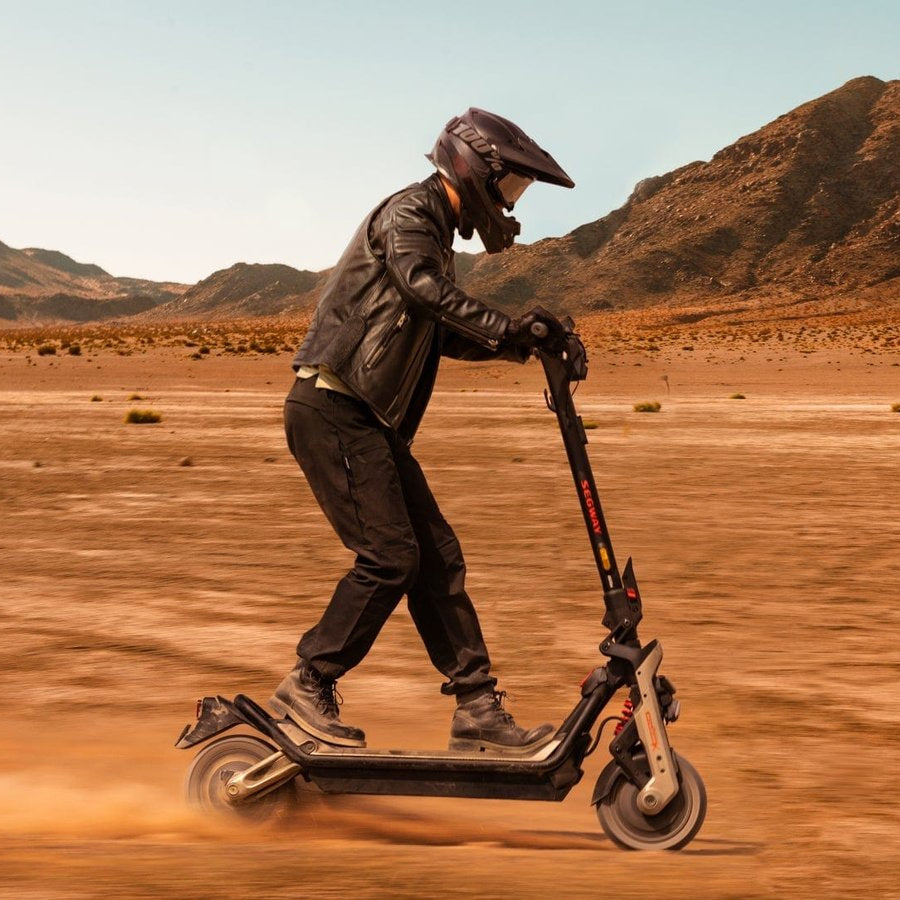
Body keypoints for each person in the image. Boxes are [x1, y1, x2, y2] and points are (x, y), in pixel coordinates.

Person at [271, 108, 574, 755]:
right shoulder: (411, 215)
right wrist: (509, 327)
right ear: (475, 168)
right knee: (390, 556)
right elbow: (424, 290)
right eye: (510, 186)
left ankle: (478, 711)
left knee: (436, 557)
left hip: (365, 419)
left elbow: (436, 328)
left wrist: (524, 345)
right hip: (333, 408)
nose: (510, 203)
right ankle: (309, 680)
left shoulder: (435, 232)